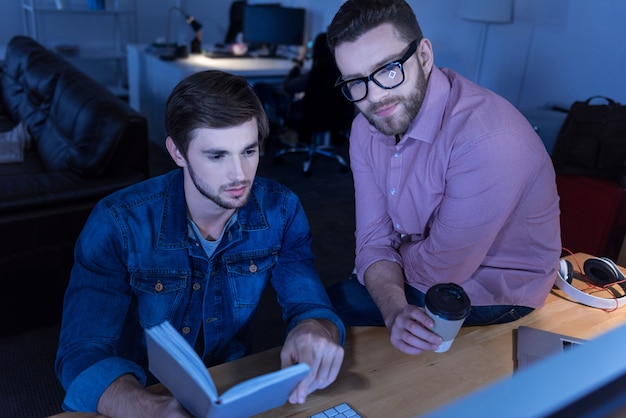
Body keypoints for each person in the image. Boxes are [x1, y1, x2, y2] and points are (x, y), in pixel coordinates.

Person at [55, 70, 345, 417]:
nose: (240, 174)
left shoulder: (281, 210)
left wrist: (313, 329)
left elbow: (309, 305)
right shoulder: (117, 223)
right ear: (178, 153)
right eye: (217, 156)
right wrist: (151, 408)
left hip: (231, 387)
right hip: (138, 395)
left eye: (249, 151)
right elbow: (81, 353)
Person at [325, 0, 561, 355]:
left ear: (423, 56)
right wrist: (392, 309)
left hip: (494, 286)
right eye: (357, 81)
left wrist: (386, 257)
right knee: (314, 314)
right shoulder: (366, 127)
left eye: (388, 70)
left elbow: (441, 268)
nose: (375, 96)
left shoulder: (487, 139)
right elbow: (373, 238)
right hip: (427, 268)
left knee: (332, 311)